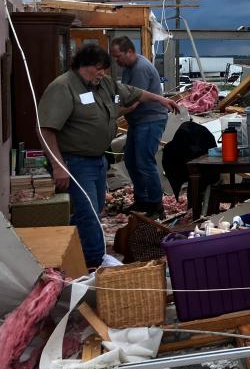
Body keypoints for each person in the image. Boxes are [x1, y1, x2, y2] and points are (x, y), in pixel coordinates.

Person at [38, 44, 179, 267]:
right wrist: (57, 165)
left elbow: (133, 92)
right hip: (75, 161)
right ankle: (96, 261)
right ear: (83, 66)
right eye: (98, 69)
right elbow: (46, 129)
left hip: (97, 160)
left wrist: (161, 99)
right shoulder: (63, 87)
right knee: (89, 213)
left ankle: (71, 251)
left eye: (105, 69)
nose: (102, 73)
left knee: (92, 210)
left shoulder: (103, 84)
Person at [110, 36, 170, 219]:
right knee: (131, 161)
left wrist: (111, 114)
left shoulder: (140, 69)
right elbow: (124, 94)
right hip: (138, 121)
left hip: (150, 120)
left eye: (118, 56)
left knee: (144, 162)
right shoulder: (129, 67)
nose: (117, 61)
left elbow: (134, 101)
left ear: (130, 51)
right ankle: (142, 199)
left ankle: (155, 204)